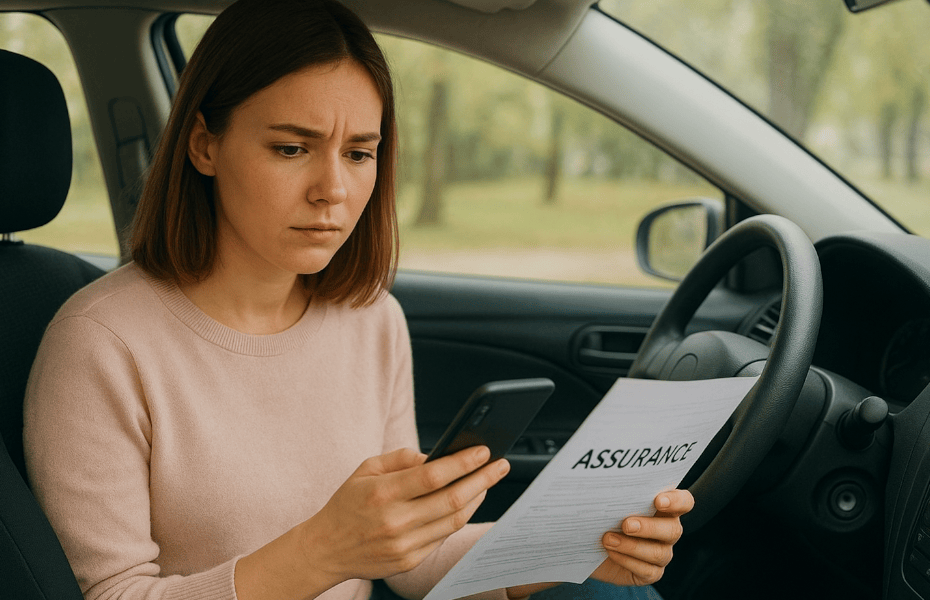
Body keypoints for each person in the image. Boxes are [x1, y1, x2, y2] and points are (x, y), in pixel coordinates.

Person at [23, 1, 694, 599]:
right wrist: (322, 551)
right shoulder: (101, 342)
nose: (332, 190)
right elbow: (112, 593)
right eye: (292, 148)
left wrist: (572, 550)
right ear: (204, 144)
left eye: (359, 153)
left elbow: (411, 559)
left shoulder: (371, 319)